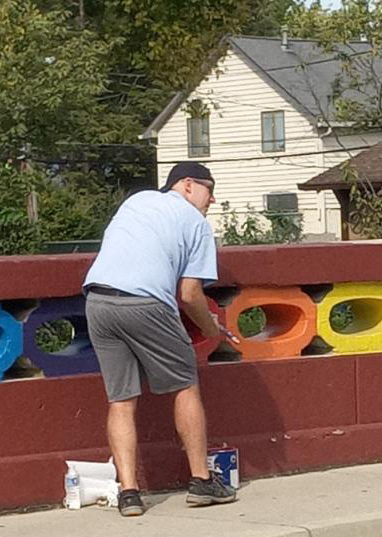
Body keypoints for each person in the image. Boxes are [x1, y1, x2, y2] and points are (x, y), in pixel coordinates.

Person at [83, 161, 237, 517]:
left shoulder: (136, 202)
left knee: (121, 400)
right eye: (208, 189)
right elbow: (190, 293)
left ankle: (129, 494)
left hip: (98, 301)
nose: (211, 199)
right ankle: (201, 481)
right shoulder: (196, 223)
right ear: (186, 185)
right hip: (146, 303)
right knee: (185, 385)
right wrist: (211, 328)